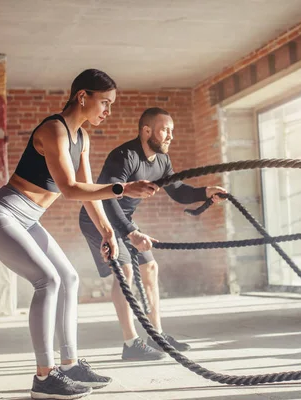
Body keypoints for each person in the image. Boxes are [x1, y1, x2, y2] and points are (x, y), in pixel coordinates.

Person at [0, 69, 160, 400]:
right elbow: (71, 189)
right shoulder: (53, 130)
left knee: (69, 278)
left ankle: (70, 366)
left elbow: (88, 193)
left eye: (111, 105)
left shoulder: (83, 138)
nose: (108, 111)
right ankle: (44, 377)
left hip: (29, 218)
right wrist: (124, 187)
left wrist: (107, 232)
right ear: (83, 96)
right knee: (48, 280)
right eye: (104, 102)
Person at [78, 107, 226, 361]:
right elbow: (108, 198)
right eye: (165, 130)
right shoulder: (124, 156)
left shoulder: (162, 161)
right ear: (146, 131)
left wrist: (206, 192)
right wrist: (131, 233)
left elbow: (178, 191)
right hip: (98, 218)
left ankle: (155, 335)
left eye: (172, 131)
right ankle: (130, 343)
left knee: (150, 268)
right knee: (124, 273)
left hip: (124, 221)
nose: (170, 136)